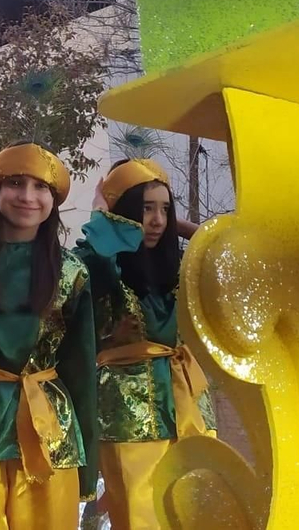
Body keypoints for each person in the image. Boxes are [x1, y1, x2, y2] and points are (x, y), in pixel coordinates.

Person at [74, 159, 215, 530]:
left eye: (164, 209)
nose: (156, 220)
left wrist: (181, 227)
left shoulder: (175, 266)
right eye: (145, 208)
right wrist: (101, 219)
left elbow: (224, 255)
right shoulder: (94, 264)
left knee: (197, 508)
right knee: (141, 515)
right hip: (127, 411)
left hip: (186, 402)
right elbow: (98, 261)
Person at [0, 143, 96, 529]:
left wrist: (90, 465)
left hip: (47, 430)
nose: (27, 196)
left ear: (53, 201)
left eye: (41, 188)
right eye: (16, 183)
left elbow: (80, 368)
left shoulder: (71, 271)